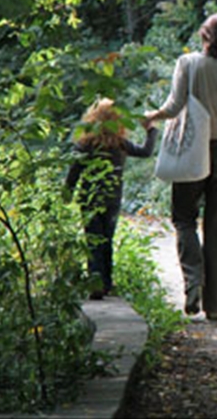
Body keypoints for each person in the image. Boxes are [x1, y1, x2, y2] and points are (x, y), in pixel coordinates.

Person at [144, 13, 217, 321]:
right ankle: (214, 307)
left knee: (184, 219)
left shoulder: (188, 64)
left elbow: (174, 108)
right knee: (216, 231)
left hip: (192, 151)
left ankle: (193, 282)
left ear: (206, 37)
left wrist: (150, 117)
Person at [66, 98, 157, 300]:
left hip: (89, 199)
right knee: (107, 240)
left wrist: (67, 193)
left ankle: (95, 282)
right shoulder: (120, 144)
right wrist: (151, 130)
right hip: (112, 199)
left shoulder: (85, 144)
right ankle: (106, 283)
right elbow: (145, 151)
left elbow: (74, 171)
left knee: (93, 241)